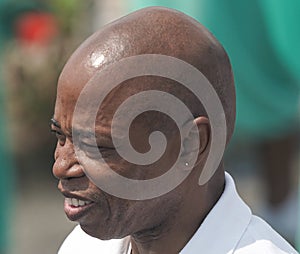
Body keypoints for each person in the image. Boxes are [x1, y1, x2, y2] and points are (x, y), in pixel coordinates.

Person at [51, 7, 298, 254]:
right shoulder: (84, 247)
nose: (61, 167)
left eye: (97, 146)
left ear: (191, 145)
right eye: (61, 137)